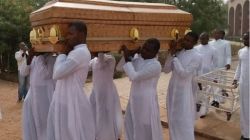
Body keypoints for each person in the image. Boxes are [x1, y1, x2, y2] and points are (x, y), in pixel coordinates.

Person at [47, 21, 95, 140]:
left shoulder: (80, 52)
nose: (67, 37)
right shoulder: (75, 52)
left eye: (70, 34)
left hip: (72, 99)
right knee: (64, 132)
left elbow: (57, 73)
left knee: (70, 134)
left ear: (82, 34)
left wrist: (62, 53)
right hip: (66, 98)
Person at [116, 38, 163, 140]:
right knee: (130, 124)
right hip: (134, 99)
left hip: (146, 102)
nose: (144, 51)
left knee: (143, 128)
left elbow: (134, 76)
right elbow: (119, 68)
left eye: (148, 50)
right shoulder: (138, 59)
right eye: (144, 48)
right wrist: (131, 54)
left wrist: (128, 58)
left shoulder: (155, 65)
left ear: (155, 52)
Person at [163, 32, 201, 140]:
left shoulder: (197, 56)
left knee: (183, 120)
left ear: (195, 42)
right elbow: (166, 70)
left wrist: (174, 56)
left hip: (184, 91)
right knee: (172, 117)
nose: (185, 42)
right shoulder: (179, 53)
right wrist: (171, 54)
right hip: (172, 89)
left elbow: (184, 74)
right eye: (185, 39)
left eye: (189, 40)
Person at [21, 50, 56, 140]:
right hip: (32, 95)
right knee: (32, 123)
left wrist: (39, 57)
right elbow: (23, 72)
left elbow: (45, 74)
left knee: (44, 124)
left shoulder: (52, 58)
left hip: (45, 96)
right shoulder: (34, 58)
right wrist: (29, 59)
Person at [89, 52, 123, 140]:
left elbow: (101, 64)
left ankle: (107, 135)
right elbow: (86, 67)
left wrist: (99, 52)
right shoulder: (94, 61)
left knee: (108, 112)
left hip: (108, 91)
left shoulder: (110, 59)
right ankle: (96, 133)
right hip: (96, 90)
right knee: (95, 111)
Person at [194, 32, 217, 118]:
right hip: (197, 74)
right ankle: (196, 108)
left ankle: (204, 111)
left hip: (208, 74)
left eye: (204, 38)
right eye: (201, 38)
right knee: (197, 92)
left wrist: (214, 76)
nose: (202, 40)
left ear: (208, 39)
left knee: (206, 93)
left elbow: (215, 64)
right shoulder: (196, 48)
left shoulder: (213, 49)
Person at [233, 32, 249, 140]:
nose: (245, 41)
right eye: (244, 39)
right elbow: (239, 66)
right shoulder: (241, 51)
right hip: (243, 85)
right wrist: (235, 79)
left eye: (247, 39)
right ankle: (245, 134)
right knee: (243, 109)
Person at [209, 29, 232, 107]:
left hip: (222, 66)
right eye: (214, 33)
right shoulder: (210, 43)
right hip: (212, 67)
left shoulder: (226, 43)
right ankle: (215, 100)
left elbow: (228, 55)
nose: (215, 34)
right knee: (213, 84)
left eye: (217, 33)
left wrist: (228, 63)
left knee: (221, 84)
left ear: (221, 35)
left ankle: (217, 101)